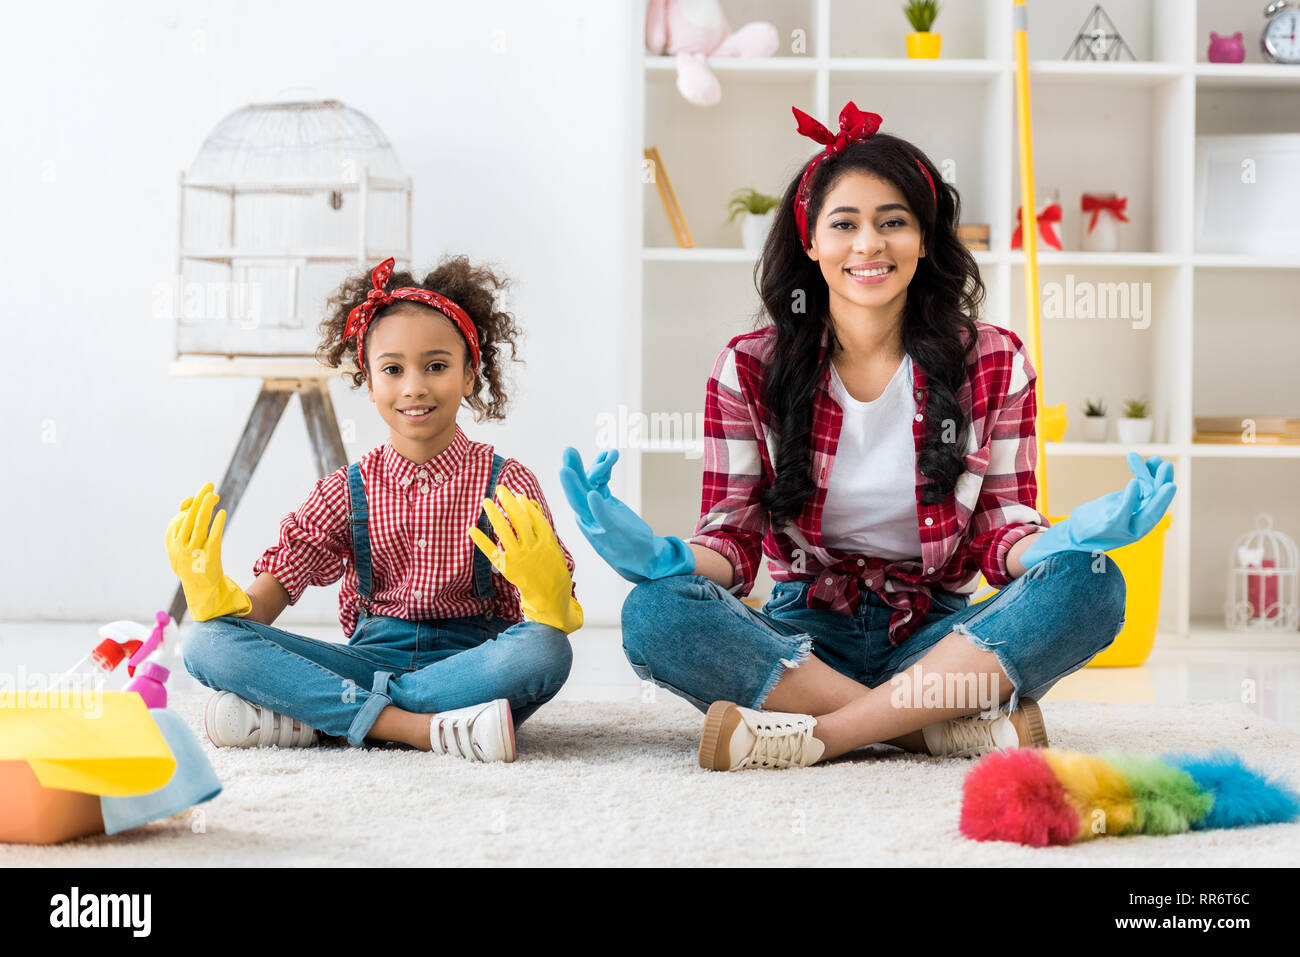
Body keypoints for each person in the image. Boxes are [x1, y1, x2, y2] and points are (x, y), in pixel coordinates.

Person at [560, 102, 1175, 772]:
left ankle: (826, 734)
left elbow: (1002, 531)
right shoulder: (747, 367)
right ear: (811, 242)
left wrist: (1066, 538)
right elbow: (731, 549)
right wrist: (663, 556)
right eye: (844, 224)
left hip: (941, 638)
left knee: (1092, 580)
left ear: (924, 239)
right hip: (802, 641)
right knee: (656, 612)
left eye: (894, 223)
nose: (869, 245)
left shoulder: (995, 360)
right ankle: (920, 729)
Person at [171, 257, 582, 763]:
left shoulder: (506, 483)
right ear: (369, 383)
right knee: (205, 643)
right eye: (393, 369)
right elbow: (262, 607)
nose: (414, 386)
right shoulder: (344, 491)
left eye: (436, 366)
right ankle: (421, 728)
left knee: (546, 651)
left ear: (470, 375)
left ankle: (326, 719)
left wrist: (548, 591)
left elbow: (548, 623)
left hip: (469, 666)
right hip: (365, 661)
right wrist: (213, 594)